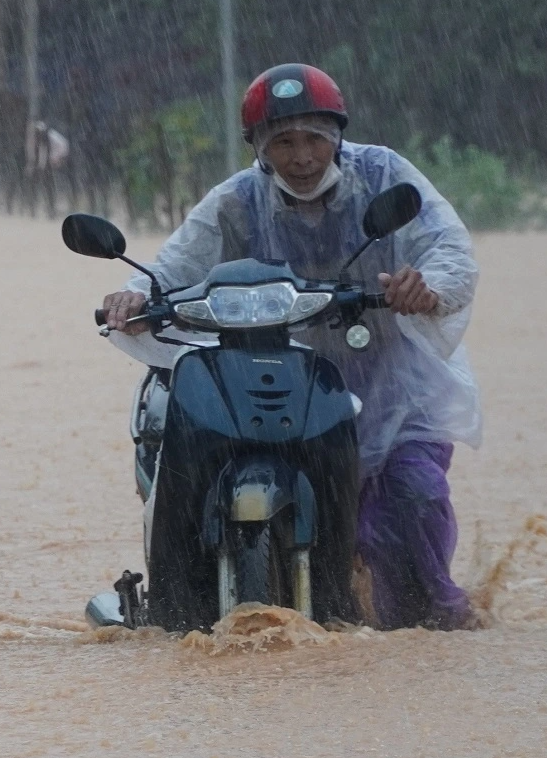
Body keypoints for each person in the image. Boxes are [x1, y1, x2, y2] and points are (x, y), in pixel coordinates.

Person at [99, 62, 482, 630]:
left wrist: (426, 289)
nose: (302, 157)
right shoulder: (236, 202)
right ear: (259, 147)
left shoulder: (382, 176)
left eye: (315, 140)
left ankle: (432, 633)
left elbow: (447, 246)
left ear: (337, 137)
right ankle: (180, 604)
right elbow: (172, 266)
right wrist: (132, 298)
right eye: (283, 142)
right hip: (284, 378)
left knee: (412, 497)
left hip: (393, 387)